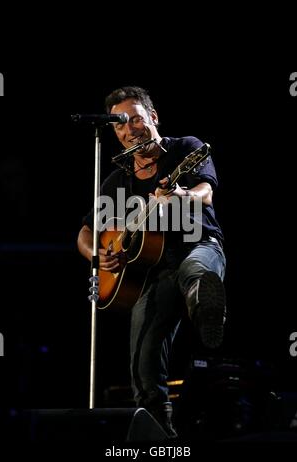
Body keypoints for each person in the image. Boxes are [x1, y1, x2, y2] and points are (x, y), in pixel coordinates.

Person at [77, 86, 226, 438]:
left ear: (153, 118)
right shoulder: (118, 179)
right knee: (143, 359)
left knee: (195, 271)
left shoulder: (185, 148)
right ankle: (160, 435)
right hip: (152, 273)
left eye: (136, 119)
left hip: (198, 245)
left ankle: (204, 304)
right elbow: (84, 232)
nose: (130, 129)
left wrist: (181, 194)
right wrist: (98, 255)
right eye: (120, 125)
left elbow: (206, 192)